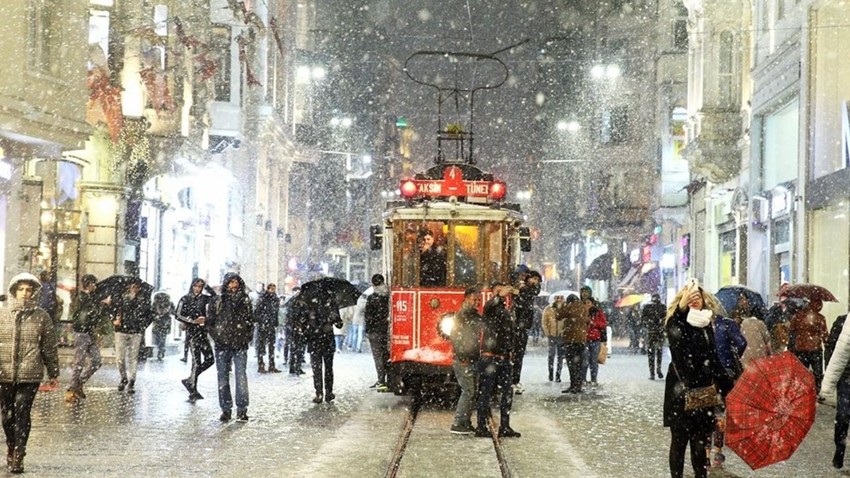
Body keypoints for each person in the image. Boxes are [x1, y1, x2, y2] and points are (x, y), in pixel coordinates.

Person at [663, 281, 731, 478]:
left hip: (703, 393)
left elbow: (713, 357)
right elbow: (676, 340)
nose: (694, 300)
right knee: (679, 441)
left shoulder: (706, 324)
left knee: (700, 443)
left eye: (697, 297)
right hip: (680, 392)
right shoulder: (677, 322)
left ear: (704, 301)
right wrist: (680, 310)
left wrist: (728, 386)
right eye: (689, 297)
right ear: (682, 301)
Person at [0, 273, 60, 473]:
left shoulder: (41, 316)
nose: (25, 293)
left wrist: (53, 371)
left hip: (30, 374)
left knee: (22, 412)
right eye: (21, 289)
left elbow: (49, 347)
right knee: (7, 417)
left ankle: (19, 453)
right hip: (4, 374)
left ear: (34, 292)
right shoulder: (2, 314)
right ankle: (11, 445)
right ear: (14, 290)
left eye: (29, 289)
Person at [207, 273, 255, 422]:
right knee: (222, 378)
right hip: (222, 345)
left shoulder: (245, 300)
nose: (233, 286)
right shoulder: (218, 300)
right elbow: (210, 322)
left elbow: (250, 321)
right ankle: (226, 409)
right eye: (231, 283)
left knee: (241, 376)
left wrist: (246, 337)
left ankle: (242, 409)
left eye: (236, 283)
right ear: (226, 284)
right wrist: (217, 336)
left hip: (239, 344)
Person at [475, 284, 520, 438]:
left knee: (507, 393)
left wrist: (511, 351)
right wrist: (499, 296)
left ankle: (505, 426)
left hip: (504, 358)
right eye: (498, 290)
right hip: (490, 357)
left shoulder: (506, 311)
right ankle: (481, 426)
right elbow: (488, 306)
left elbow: (511, 333)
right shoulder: (490, 308)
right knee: (485, 393)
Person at [706, 307, 747, 470]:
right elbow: (742, 343)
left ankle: (705, 453)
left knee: (706, 412)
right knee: (720, 413)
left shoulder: (700, 324)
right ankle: (718, 450)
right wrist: (731, 354)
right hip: (726, 372)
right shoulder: (727, 324)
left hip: (706, 372)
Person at [65, 274, 111, 402]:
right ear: (89, 284)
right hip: (81, 333)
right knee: (79, 362)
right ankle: (71, 390)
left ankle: (79, 383)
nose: (95, 286)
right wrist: (103, 304)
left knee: (96, 361)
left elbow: (94, 314)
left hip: (90, 333)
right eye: (94, 284)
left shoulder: (91, 297)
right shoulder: (81, 297)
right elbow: (91, 313)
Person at [300, 288, 344, 404]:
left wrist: (308, 330)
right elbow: (339, 324)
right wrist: (333, 320)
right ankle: (328, 392)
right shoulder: (331, 304)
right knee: (328, 368)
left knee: (317, 369)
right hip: (327, 341)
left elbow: (303, 322)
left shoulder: (309, 304)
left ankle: (319, 393)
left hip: (314, 341)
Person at [447, 287, 482, 434]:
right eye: (474, 299)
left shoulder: (472, 315)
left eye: (478, 300)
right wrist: (463, 356)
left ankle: (465, 422)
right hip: (465, 359)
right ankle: (459, 422)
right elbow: (457, 337)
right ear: (466, 298)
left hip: (471, 358)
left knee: (471, 391)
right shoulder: (462, 316)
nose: (477, 302)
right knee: (468, 391)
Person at [175, 279, 216, 401]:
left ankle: (191, 380)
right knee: (196, 361)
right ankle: (193, 389)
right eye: (196, 286)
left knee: (210, 359)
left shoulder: (205, 298)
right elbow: (177, 314)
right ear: (192, 286)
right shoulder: (185, 299)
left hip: (203, 333)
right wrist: (191, 321)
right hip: (192, 333)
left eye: (200, 286)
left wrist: (208, 287)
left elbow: (216, 297)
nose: (198, 289)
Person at [821, 311, 850, 469]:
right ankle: (840, 448)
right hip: (846, 378)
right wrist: (829, 380)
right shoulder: (842, 321)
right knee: (843, 415)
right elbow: (832, 350)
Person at [113, 280, 152, 394]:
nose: (135, 289)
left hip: (135, 332)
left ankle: (132, 380)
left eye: (137, 287)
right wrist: (114, 320)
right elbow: (113, 311)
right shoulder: (121, 298)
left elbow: (149, 315)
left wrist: (142, 326)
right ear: (129, 287)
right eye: (133, 286)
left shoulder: (143, 300)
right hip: (121, 331)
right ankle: (123, 377)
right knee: (120, 358)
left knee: (133, 358)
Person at [789, 298, 828, 393]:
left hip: (800, 348)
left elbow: (791, 331)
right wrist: (827, 344)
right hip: (815, 348)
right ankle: (815, 392)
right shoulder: (820, 318)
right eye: (819, 303)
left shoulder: (798, 316)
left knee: (802, 372)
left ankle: (801, 391)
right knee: (817, 373)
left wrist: (792, 346)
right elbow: (825, 335)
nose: (820, 306)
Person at [511, 268, 540, 394]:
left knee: (519, 355)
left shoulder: (528, 290)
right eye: (534, 279)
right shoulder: (522, 289)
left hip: (523, 327)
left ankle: (515, 380)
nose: (535, 282)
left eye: (538, 280)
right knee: (515, 355)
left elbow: (534, 291)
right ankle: (512, 381)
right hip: (517, 326)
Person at [558, 294, 590, 394]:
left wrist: (561, 305)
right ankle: (578, 385)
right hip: (581, 340)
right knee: (579, 364)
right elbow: (587, 321)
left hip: (571, 339)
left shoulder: (569, 307)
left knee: (571, 364)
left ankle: (573, 385)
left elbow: (558, 315)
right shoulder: (584, 308)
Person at [364, 274, 390, 391]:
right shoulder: (388, 296)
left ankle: (381, 380)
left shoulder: (372, 298)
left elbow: (368, 317)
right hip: (386, 330)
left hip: (375, 331)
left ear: (373, 284)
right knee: (386, 355)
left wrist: (368, 330)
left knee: (377, 357)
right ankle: (388, 378)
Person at [254, 283, 281, 373]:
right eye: (271, 289)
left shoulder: (275, 299)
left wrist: (275, 322)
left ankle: (271, 365)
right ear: (268, 289)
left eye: (274, 289)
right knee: (261, 346)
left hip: (271, 325)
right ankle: (261, 365)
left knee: (271, 346)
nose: (273, 291)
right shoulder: (262, 298)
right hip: (262, 325)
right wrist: (261, 321)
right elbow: (257, 312)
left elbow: (275, 312)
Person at [581, 297, 608, 387]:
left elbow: (603, 324)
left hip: (595, 339)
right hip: (584, 339)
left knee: (594, 361)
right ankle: (583, 379)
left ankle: (593, 379)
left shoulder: (598, 312)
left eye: (588, 302)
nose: (587, 304)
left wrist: (593, 323)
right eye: (585, 303)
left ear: (592, 303)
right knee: (584, 361)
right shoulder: (581, 312)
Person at [642, 294, 666, 380]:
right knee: (659, 352)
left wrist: (648, 325)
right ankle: (658, 369)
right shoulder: (663, 307)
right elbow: (665, 319)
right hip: (659, 332)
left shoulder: (647, 307)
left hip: (651, 332)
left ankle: (652, 373)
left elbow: (643, 319)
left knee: (651, 353)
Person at [543, 295, 566, 382]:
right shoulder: (548, 309)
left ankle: (558, 375)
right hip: (552, 335)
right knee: (551, 356)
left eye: (561, 297)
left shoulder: (565, 309)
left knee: (560, 356)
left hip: (561, 335)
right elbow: (544, 322)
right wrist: (548, 333)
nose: (559, 299)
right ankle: (551, 373)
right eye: (557, 297)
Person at [286, 292, 307, 376]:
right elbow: (291, 318)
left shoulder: (296, 305)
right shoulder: (294, 306)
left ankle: (295, 367)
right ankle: (295, 367)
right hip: (296, 330)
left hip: (298, 330)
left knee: (296, 349)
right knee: (297, 349)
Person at [151, 292, 174, 361]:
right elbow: (152, 311)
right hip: (159, 322)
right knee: (159, 337)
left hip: (164, 322)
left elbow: (173, 311)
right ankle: (161, 349)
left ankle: (161, 350)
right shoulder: (155, 303)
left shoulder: (169, 303)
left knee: (162, 337)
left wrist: (165, 313)